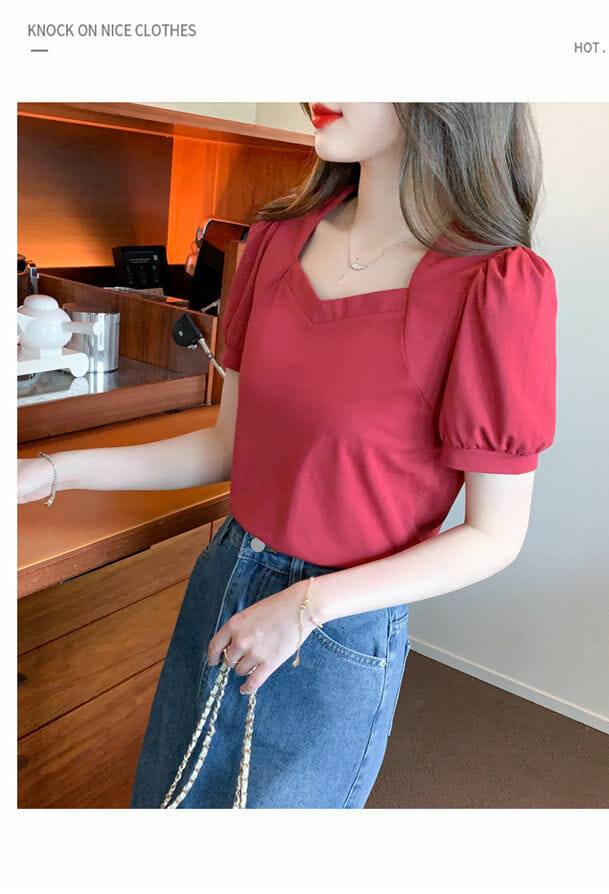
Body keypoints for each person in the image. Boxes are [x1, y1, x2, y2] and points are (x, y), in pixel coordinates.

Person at [17, 102, 558, 809]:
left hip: (337, 625)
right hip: (224, 580)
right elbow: (225, 447)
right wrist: (50, 472)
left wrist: (306, 607)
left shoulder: (495, 286)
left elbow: (494, 536)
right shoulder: (275, 242)